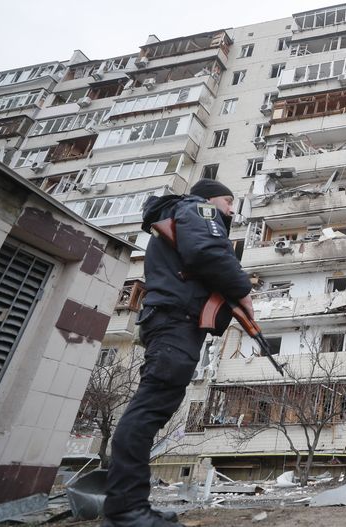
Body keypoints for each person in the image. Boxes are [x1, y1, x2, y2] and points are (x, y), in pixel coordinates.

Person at [103, 180, 253, 526]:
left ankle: (131, 505)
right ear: (209, 198)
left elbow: (198, 264)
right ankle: (126, 512)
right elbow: (208, 253)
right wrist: (243, 292)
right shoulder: (198, 210)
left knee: (153, 408)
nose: (231, 210)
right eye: (228, 202)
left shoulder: (179, 220)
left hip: (172, 322)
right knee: (148, 409)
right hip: (175, 322)